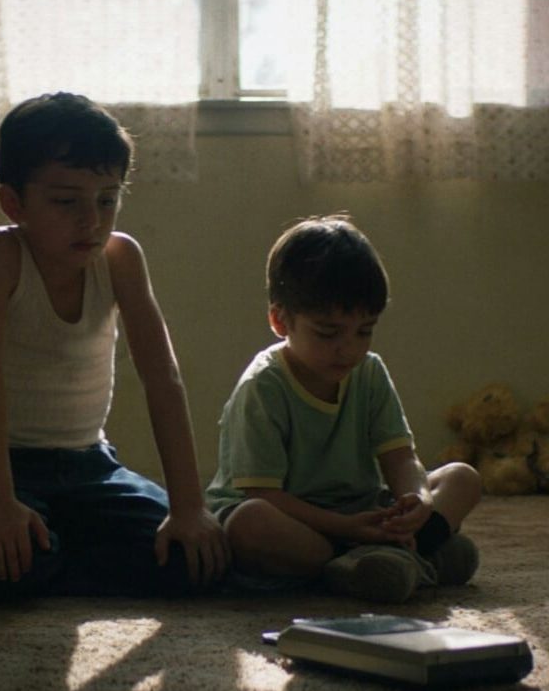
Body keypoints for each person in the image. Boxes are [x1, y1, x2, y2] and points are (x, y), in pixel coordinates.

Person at [0, 91, 227, 599]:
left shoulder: (122, 259)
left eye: (107, 199)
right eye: (66, 201)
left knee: (192, 559)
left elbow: (162, 378)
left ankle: (54, 551)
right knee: (11, 568)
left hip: (90, 467)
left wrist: (189, 507)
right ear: (14, 203)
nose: (91, 221)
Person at [206, 214, 483, 603]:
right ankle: (385, 559)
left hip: (361, 510)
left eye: (364, 331)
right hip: (293, 518)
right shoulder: (263, 387)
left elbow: (401, 458)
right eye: (328, 333)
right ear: (280, 321)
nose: (349, 349)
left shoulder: (369, 372)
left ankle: (389, 557)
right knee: (251, 525)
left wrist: (417, 500)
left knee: (462, 478)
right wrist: (347, 528)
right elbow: (266, 495)